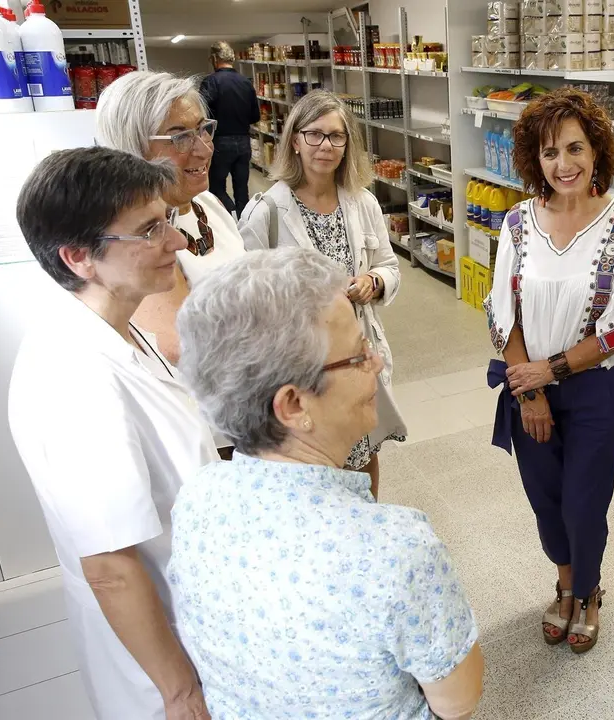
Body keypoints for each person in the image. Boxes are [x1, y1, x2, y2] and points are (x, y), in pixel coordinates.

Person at [168, 248, 484, 720]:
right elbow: (458, 701)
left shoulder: (196, 498)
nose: (376, 364)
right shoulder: (396, 551)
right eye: (358, 355)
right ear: (293, 404)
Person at [8, 147, 217, 720]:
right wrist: (181, 693)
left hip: (194, 609)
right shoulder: (74, 376)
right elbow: (110, 566)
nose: (176, 241)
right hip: (160, 662)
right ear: (80, 257)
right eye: (150, 229)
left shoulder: (119, 329)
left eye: (167, 220)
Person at [484, 88, 614, 654]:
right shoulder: (516, 223)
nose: (563, 165)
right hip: (526, 389)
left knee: (585, 498)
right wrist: (529, 389)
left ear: (597, 151)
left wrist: (551, 371)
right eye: (548, 153)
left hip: (595, 391)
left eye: (574, 149)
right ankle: (563, 582)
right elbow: (499, 313)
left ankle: (586, 591)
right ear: (532, 160)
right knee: (544, 497)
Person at [238, 90, 405, 495]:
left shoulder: (362, 202)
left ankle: (364, 529)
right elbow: (247, 301)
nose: (325, 146)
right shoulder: (267, 212)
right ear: (294, 140)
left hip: (353, 355)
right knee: (313, 458)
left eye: (336, 136)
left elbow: (389, 264)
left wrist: (375, 282)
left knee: (362, 451)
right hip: (302, 363)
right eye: (314, 134)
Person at [97, 71, 246, 365]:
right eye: (180, 137)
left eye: (204, 129)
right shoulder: (135, 237)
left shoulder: (208, 204)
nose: (204, 149)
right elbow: (179, 349)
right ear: (132, 147)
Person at [201, 41, 260, 217]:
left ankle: (229, 217)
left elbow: (202, 114)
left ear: (214, 58)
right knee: (242, 189)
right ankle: (246, 225)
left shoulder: (211, 82)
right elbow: (255, 116)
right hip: (243, 142)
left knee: (216, 187)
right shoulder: (246, 83)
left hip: (219, 143)